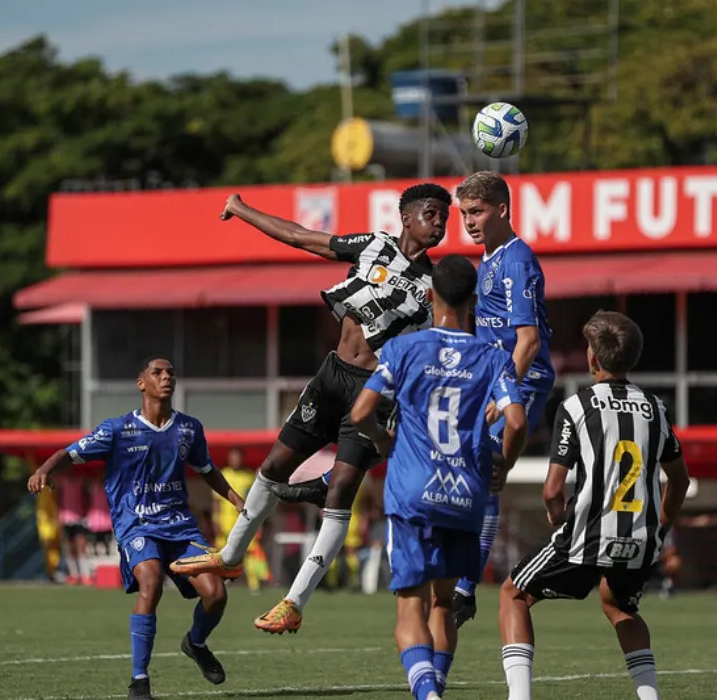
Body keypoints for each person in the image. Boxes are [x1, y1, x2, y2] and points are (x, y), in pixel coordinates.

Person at [171, 184, 452, 634]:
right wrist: (241, 210)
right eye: (432, 213)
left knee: (340, 490)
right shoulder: (374, 246)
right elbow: (302, 237)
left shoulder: (437, 287)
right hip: (332, 376)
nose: (440, 223)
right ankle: (229, 557)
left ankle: (294, 602)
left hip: (375, 393)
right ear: (406, 216)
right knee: (275, 465)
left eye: (446, 218)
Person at [350, 254, 527, 700]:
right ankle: (437, 690)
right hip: (465, 494)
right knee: (445, 603)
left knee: (411, 601)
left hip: (412, 491)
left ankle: (427, 695)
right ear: (475, 301)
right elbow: (518, 422)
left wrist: (383, 441)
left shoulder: (403, 349)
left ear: (430, 296)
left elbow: (360, 413)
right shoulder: (492, 357)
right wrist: (501, 465)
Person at [498, 311, 690, 700]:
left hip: (586, 536)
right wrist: (660, 528)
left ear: (592, 359)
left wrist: (558, 519)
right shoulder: (656, 408)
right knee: (620, 607)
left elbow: (553, 489)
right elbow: (679, 480)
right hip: (640, 539)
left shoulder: (576, 406)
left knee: (513, 594)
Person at [27, 357, 245, 700]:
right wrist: (44, 469)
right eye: (157, 373)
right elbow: (70, 452)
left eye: (170, 373)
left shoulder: (189, 428)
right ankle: (139, 680)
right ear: (141, 383)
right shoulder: (117, 429)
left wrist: (236, 499)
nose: (166, 377)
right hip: (136, 523)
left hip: (181, 528)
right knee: (151, 580)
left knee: (216, 594)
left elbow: (206, 469)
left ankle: (196, 643)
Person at [450, 170, 555, 628]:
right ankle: (458, 578)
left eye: (477, 212)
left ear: (502, 210)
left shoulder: (516, 261)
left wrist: (502, 390)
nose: (469, 222)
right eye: (464, 214)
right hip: (494, 382)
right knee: (466, 467)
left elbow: (528, 342)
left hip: (523, 382)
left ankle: (464, 587)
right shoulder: (489, 259)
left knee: (488, 469)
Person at [212, 448, 270, 592]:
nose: (235, 460)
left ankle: (255, 584)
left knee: (252, 552)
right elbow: (216, 501)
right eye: (233, 457)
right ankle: (220, 582)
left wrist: (259, 522)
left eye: (238, 457)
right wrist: (215, 520)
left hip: (245, 521)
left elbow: (257, 501)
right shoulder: (223, 474)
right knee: (221, 553)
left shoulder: (249, 476)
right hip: (225, 521)